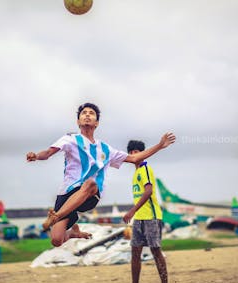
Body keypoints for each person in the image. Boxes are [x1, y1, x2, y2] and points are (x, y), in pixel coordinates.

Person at [26, 102, 175, 247]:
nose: (87, 115)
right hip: (67, 194)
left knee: (91, 183)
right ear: (78, 121)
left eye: (91, 113)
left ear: (96, 123)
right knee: (56, 241)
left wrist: (160, 145)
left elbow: (135, 158)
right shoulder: (69, 140)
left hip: (91, 193)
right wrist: (36, 156)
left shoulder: (105, 149)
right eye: (84, 113)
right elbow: (48, 153)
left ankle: (57, 216)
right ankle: (72, 233)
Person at [121, 139, 168, 283]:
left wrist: (132, 211)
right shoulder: (135, 173)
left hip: (151, 217)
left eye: (137, 151)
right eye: (132, 152)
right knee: (135, 252)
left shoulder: (145, 169)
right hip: (139, 219)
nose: (134, 154)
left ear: (143, 152)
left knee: (155, 250)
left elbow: (148, 191)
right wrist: (135, 214)